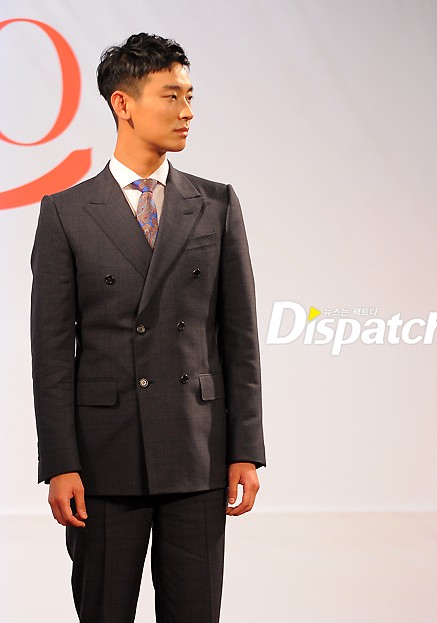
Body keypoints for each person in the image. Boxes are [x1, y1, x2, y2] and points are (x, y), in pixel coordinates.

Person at [31, 32, 265, 623]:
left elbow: (239, 339)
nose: (187, 112)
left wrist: (245, 449)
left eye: (190, 96)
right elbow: (51, 353)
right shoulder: (66, 212)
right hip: (103, 457)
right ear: (124, 104)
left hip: (197, 450)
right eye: (171, 96)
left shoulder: (216, 204)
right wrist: (60, 461)